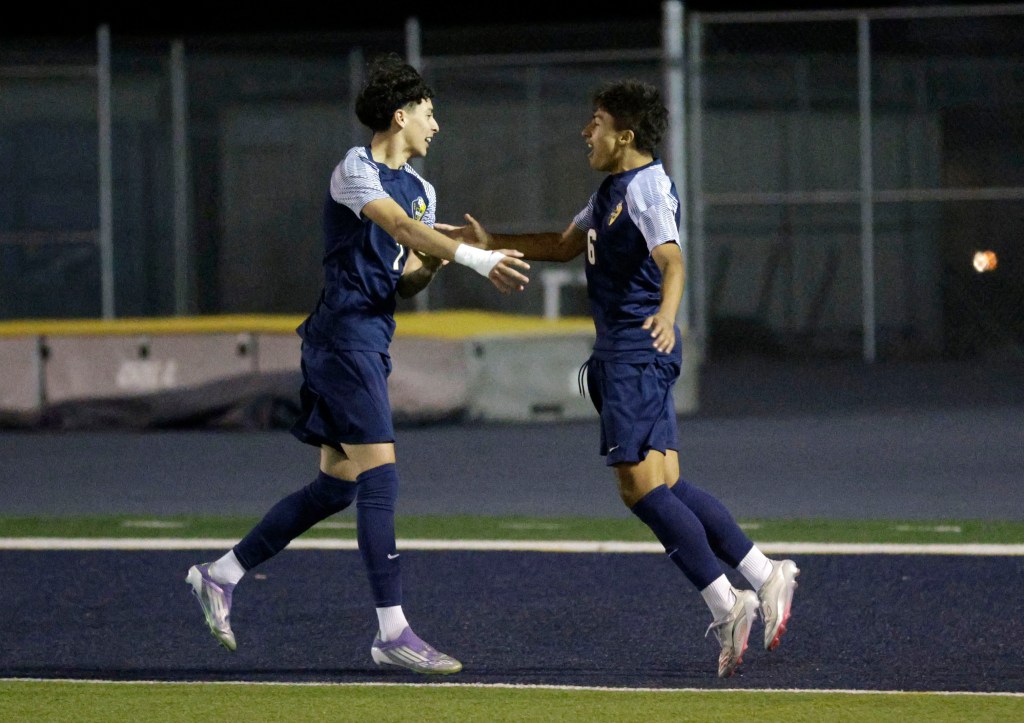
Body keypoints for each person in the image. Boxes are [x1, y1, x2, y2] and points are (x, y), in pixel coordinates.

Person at [184, 52, 530, 675]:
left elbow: (408, 281)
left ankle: (220, 573)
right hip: (341, 337)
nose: (437, 126)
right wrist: (476, 259)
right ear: (400, 116)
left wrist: (443, 260)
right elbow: (396, 227)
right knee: (381, 476)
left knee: (336, 485)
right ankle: (391, 631)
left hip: (370, 336)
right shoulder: (355, 169)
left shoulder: (424, 191)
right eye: (429, 113)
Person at [440, 79, 798, 678]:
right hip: (629, 351)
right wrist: (489, 243)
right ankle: (764, 574)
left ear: (624, 135)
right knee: (666, 484)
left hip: (635, 349)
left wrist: (665, 311)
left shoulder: (648, 186)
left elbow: (673, 259)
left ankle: (725, 600)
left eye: (597, 121)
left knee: (638, 489)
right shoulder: (611, 190)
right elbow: (561, 245)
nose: (587, 130)